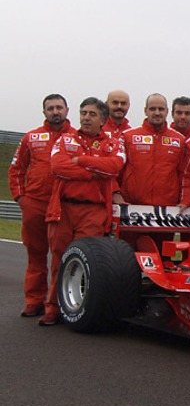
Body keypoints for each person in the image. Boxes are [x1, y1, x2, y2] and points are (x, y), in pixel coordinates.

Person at [41, 97, 126, 325]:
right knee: (58, 259)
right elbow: (58, 167)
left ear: (103, 120)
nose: (86, 118)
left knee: (86, 261)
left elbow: (115, 167)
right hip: (63, 208)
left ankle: (80, 308)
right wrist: (94, 171)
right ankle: (52, 308)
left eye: (92, 114)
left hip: (94, 211)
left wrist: (80, 161)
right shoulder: (65, 139)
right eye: (83, 113)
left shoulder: (113, 143)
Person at [8, 94, 76, 317]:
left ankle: (55, 305)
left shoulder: (77, 138)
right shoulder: (31, 137)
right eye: (50, 108)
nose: (55, 111)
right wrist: (21, 198)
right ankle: (34, 300)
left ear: (67, 110)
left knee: (62, 257)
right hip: (35, 204)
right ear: (44, 111)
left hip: (64, 205)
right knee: (36, 255)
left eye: (59, 107)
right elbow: (16, 170)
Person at [117, 94, 190, 207]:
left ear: (167, 111)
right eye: (152, 109)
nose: (157, 113)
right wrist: (116, 194)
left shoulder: (179, 140)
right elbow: (117, 170)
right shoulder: (128, 136)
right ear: (145, 111)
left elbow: (185, 175)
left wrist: (185, 200)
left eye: (161, 109)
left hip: (168, 207)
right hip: (133, 206)